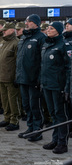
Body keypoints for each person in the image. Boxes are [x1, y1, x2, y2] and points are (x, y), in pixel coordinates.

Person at [41, 22, 70, 154]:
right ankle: (55, 139)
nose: (48, 30)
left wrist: (67, 88)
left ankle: (62, 143)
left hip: (58, 86)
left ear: (58, 31)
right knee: (53, 113)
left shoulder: (63, 45)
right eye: (48, 28)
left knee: (60, 114)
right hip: (47, 85)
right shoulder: (47, 44)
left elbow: (68, 68)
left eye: (51, 28)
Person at [16, 14, 46, 142]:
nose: (26, 23)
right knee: (26, 105)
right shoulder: (24, 37)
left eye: (28, 21)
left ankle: (37, 131)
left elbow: (43, 61)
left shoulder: (40, 38)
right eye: (26, 21)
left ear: (35, 23)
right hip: (23, 78)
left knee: (35, 106)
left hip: (34, 79)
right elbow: (20, 59)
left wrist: (39, 78)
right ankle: (30, 127)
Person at [0, 23, 20, 131]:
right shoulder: (2, 42)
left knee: (12, 100)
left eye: (6, 30)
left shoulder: (16, 43)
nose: (3, 31)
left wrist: (16, 77)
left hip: (10, 77)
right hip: (1, 76)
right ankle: (6, 118)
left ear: (12, 30)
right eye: (3, 30)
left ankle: (14, 121)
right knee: (5, 99)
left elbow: (18, 62)